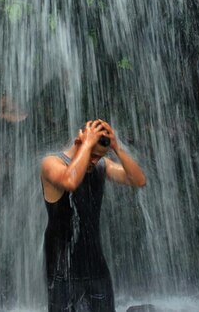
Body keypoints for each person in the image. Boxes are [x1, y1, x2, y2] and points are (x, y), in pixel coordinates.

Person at [41, 119, 146, 312]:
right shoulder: (51, 163)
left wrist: (117, 148)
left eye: (100, 156)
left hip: (96, 265)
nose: (95, 161)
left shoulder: (101, 166)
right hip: (61, 269)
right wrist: (87, 145)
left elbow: (138, 180)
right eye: (93, 155)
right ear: (78, 142)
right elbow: (70, 181)